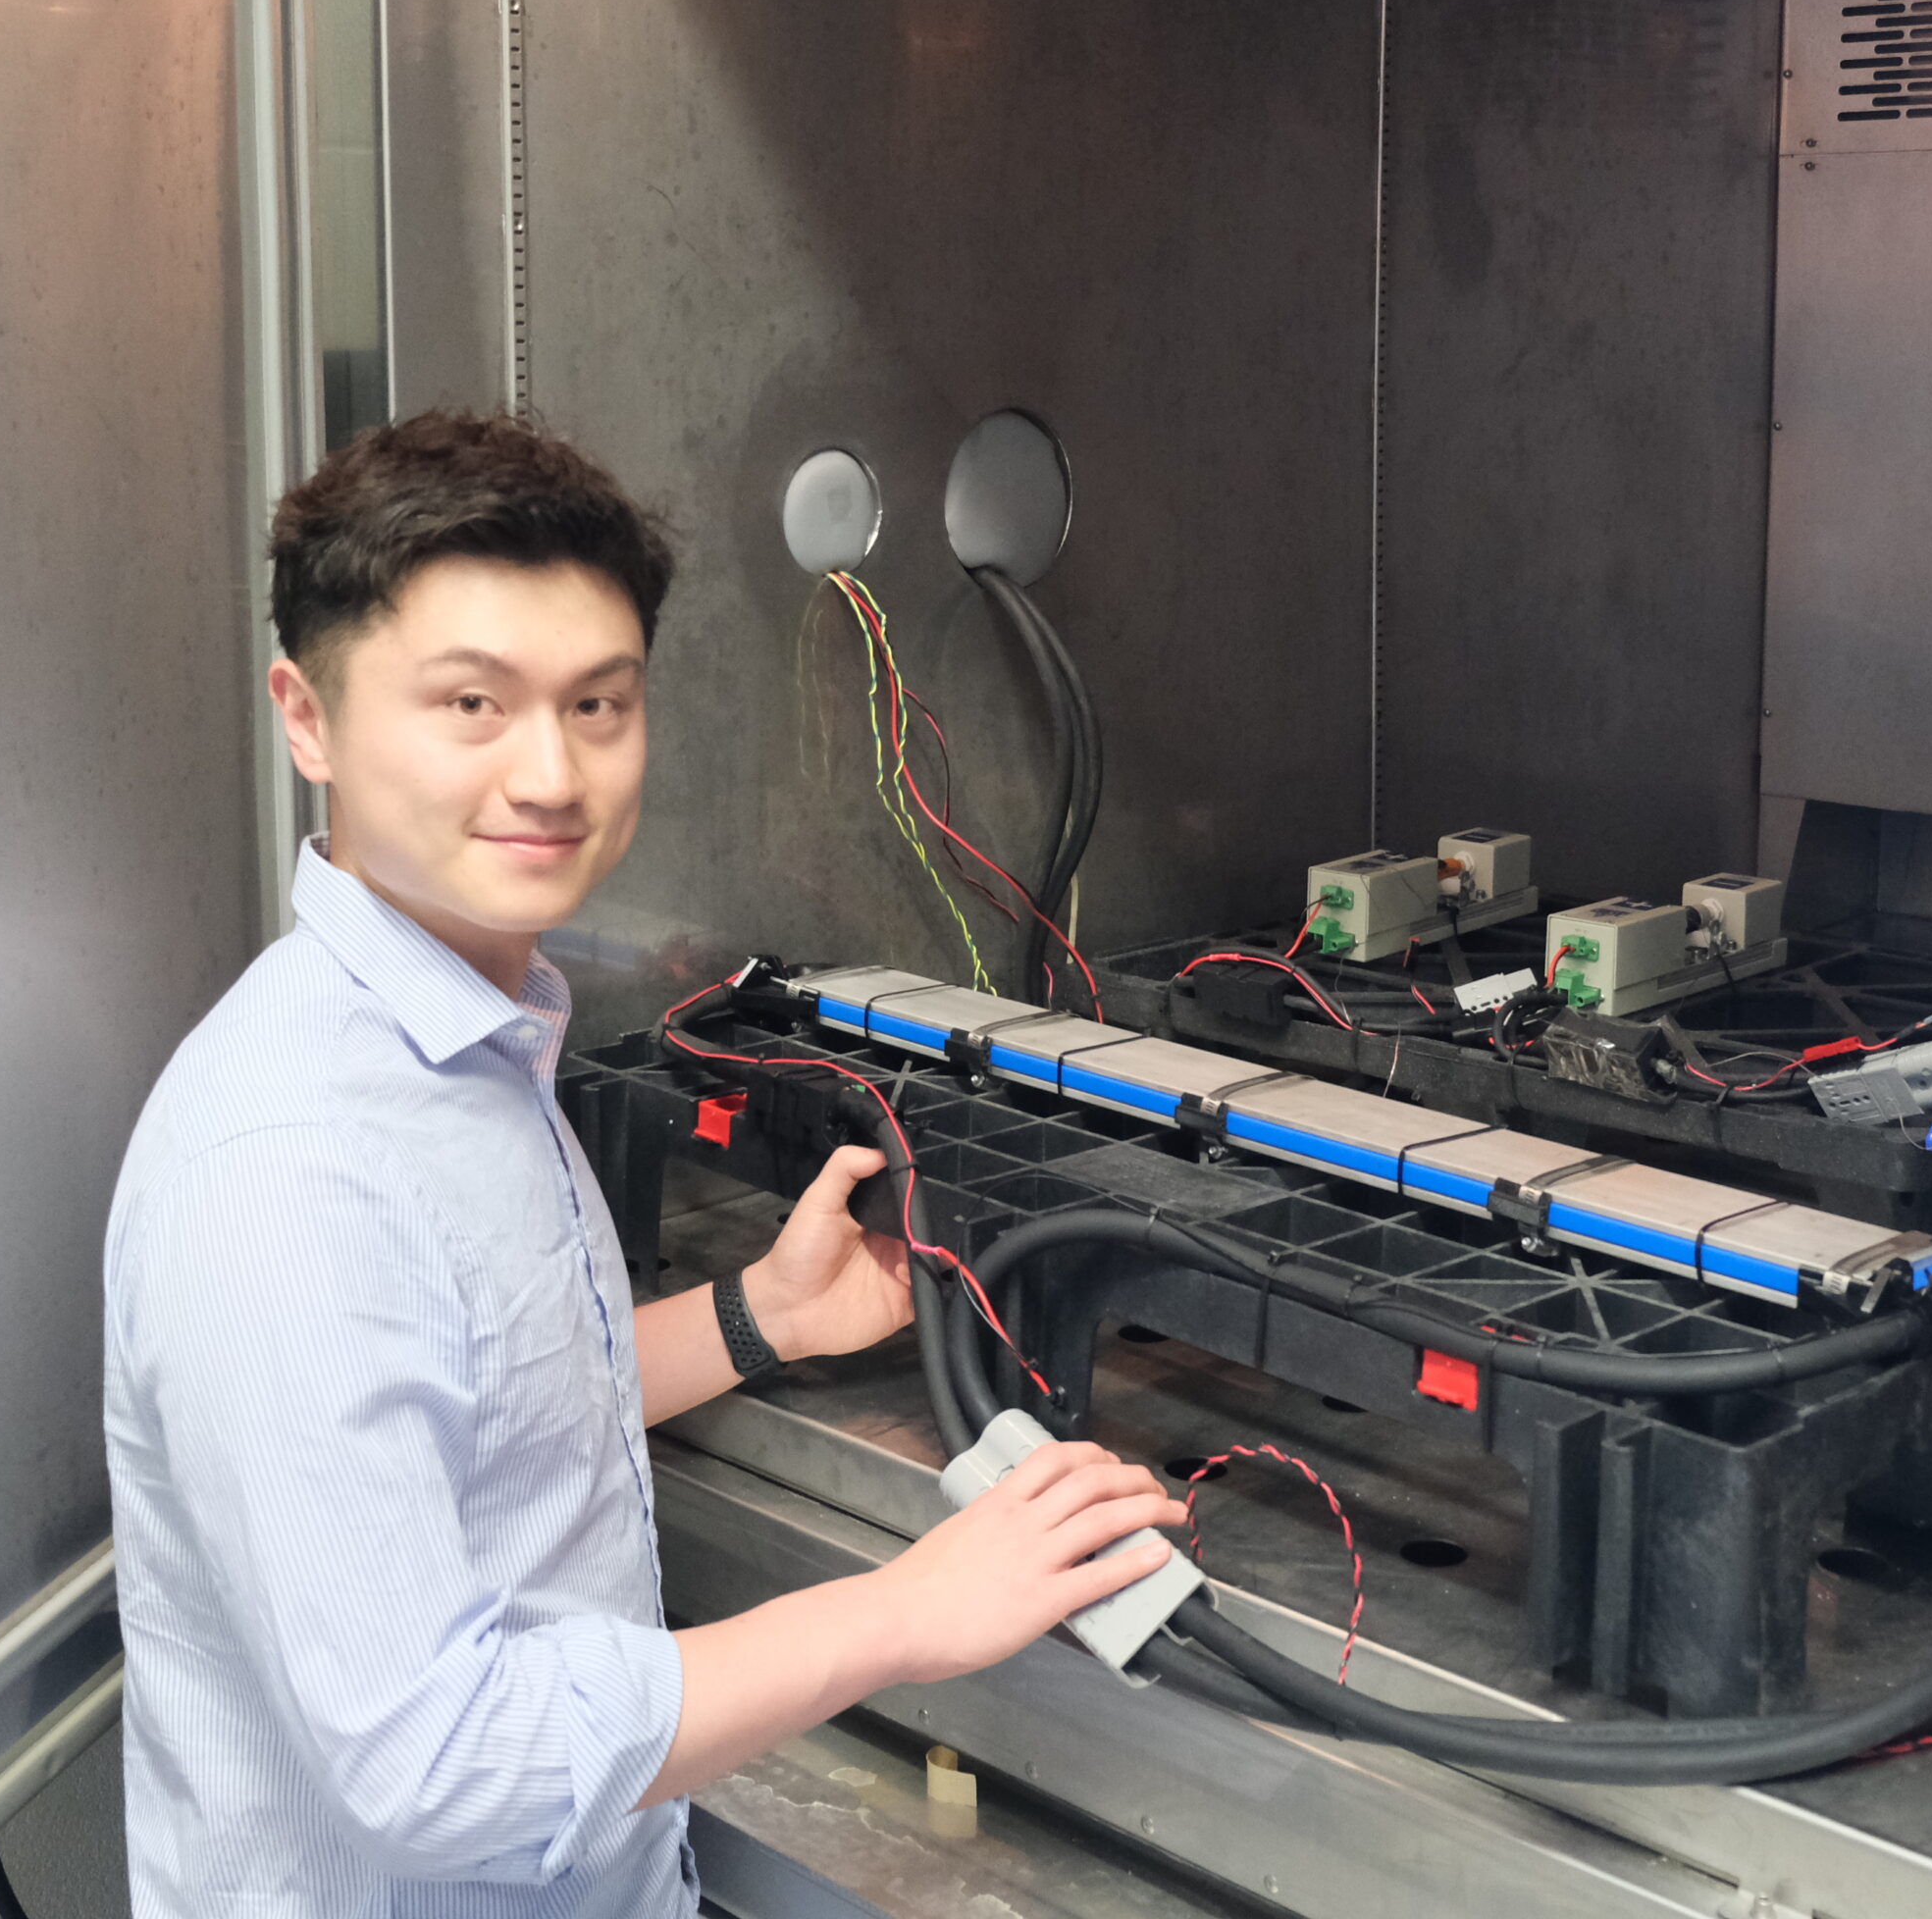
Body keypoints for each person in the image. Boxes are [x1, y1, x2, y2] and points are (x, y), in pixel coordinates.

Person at [102, 409, 1181, 1919]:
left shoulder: (468, 1024)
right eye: (472, 703)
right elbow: (439, 1762)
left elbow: (490, 1411)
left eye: (598, 705)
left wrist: (759, 1320)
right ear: (309, 716)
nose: (550, 773)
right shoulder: (289, 1172)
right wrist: (904, 1614)